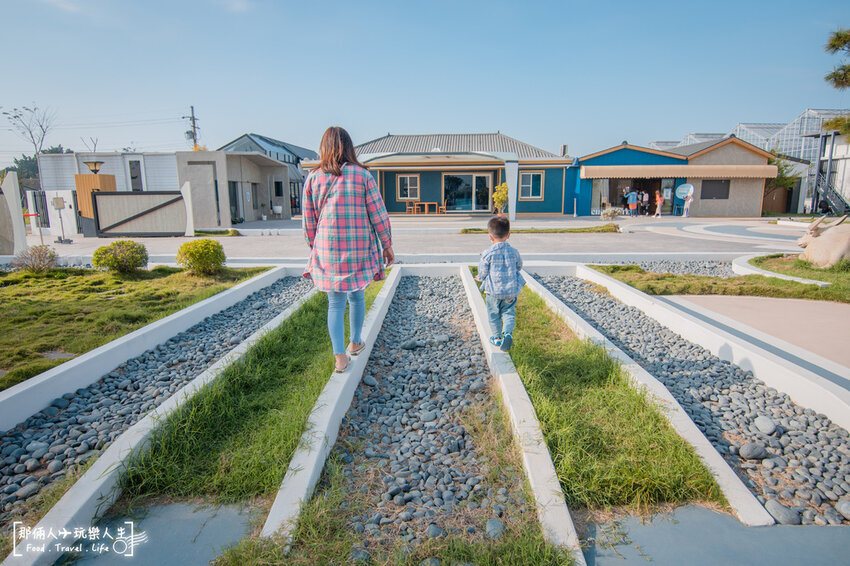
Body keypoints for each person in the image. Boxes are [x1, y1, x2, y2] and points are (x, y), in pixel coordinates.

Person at [303, 126, 394, 373]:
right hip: (358, 248)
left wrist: (314, 247)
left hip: (328, 249)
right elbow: (378, 213)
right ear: (349, 146)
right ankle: (355, 342)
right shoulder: (363, 175)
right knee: (356, 295)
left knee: (335, 303)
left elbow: (309, 220)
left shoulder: (313, 178)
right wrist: (386, 244)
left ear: (324, 147)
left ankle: (340, 358)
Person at [476, 216, 524, 352]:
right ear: (508, 235)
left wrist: (480, 277)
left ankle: (496, 338)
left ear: (490, 237)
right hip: (510, 291)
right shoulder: (514, 252)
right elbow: (519, 266)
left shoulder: (488, 253)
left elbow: (483, 270)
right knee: (508, 313)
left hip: (493, 291)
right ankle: (507, 333)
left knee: (493, 314)